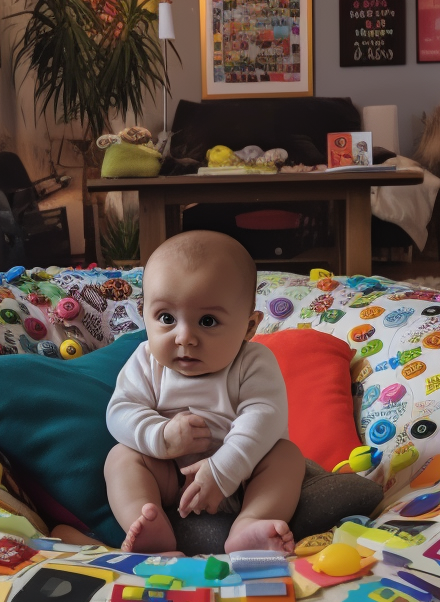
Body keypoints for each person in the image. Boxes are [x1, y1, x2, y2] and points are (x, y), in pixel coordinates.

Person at [105, 231, 305, 554]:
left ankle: (249, 523)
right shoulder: (146, 361)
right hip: (171, 478)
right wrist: (161, 436)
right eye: (167, 318)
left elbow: (264, 416)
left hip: (243, 480)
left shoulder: (252, 362)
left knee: (287, 458)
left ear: (249, 327)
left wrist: (223, 470)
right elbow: (120, 411)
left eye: (207, 321)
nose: (184, 337)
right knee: (121, 458)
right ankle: (147, 523)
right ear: (144, 314)